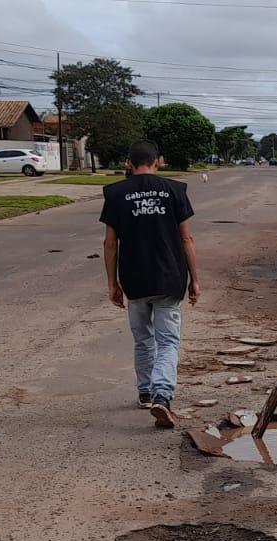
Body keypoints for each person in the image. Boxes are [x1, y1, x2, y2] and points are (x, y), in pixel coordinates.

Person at [100, 140, 200, 428]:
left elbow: (110, 243)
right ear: (159, 161)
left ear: (129, 163)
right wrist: (195, 279)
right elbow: (186, 239)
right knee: (167, 341)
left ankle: (145, 392)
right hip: (169, 277)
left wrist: (112, 283)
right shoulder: (175, 190)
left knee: (143, 339)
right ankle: (162, 395)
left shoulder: (115, 193)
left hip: (134, 279)